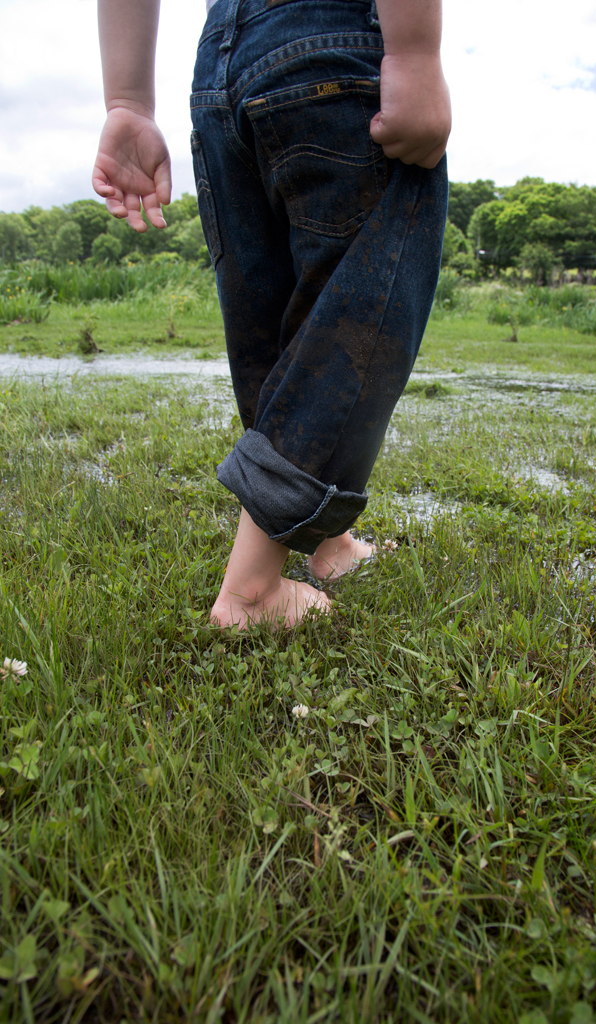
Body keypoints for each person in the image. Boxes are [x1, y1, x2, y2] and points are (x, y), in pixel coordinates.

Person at [93, 0, 451, 629]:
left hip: (221, 71)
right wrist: (414, 50)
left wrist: (127, 102)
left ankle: (328, 543)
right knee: (355, 309)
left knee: (270, 317)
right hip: (328, 40)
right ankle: (251, 592)